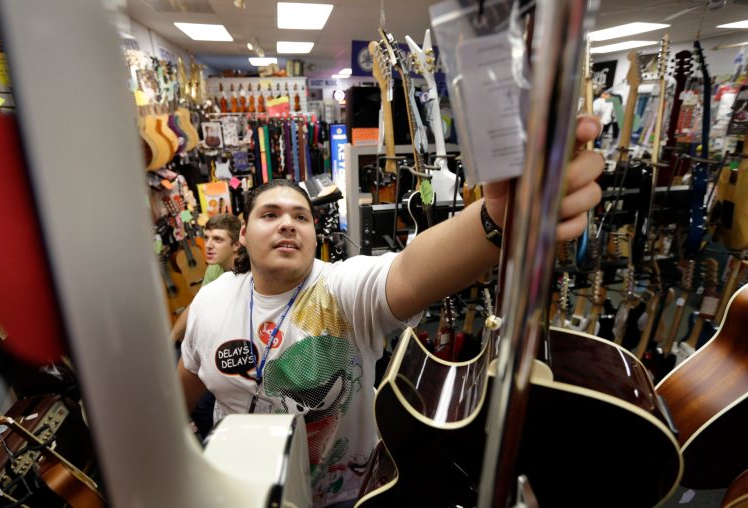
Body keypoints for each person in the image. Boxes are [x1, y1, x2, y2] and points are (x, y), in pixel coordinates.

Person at [178, 116, 604, 508]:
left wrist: (494, 220)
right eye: (270, 214)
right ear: (244, 232)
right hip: (238, 492)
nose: (288, 224)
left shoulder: (342, 290)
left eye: (301, 217)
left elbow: (409, 273)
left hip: (344, 496)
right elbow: (184, 393)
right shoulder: (210, 302)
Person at [169, 213, 242, 345]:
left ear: (236, 245)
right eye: (206, 238)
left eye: (218, 239)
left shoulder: (251, 271)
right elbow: (197, 304)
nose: (208, 245)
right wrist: (171, 339)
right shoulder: (213, 269)